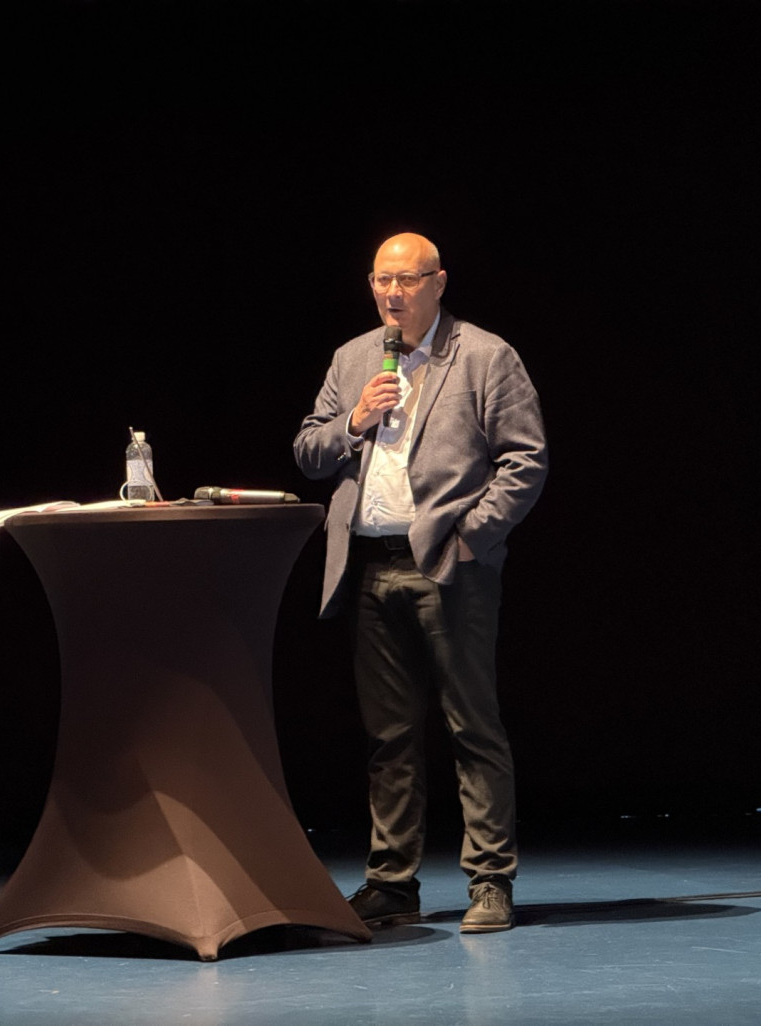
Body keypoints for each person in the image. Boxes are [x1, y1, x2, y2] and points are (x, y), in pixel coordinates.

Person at [293, 232, 548, 933]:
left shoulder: (485, 356)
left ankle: (490, 879)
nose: (392, 294)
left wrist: (470, 541)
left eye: (406, 280)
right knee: (390, 738)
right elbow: (309, 451)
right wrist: (355, 419)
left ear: (439, 282)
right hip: (370, 568)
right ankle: (391, 883)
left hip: (449, 568)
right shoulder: (353, 359)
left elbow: (525, 462)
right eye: (381, 281)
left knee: (473, 726)